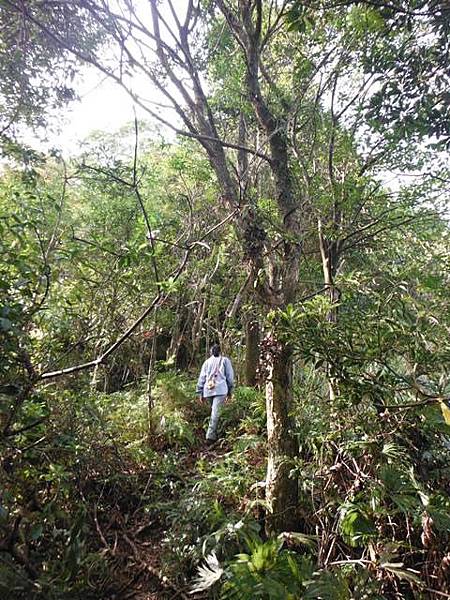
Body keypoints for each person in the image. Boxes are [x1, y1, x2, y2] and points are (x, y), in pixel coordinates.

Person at [196, 344, 234, 443]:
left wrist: (200, 392)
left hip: (208, 390)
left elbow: (202, 378)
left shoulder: (206, 362)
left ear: (210, 352)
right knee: (215, 413)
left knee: (215, 412)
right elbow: (230, 377)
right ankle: (210, 436)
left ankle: (215, 432)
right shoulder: (225, 361)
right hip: (221, 390)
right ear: (220, 351)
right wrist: (230, 390)